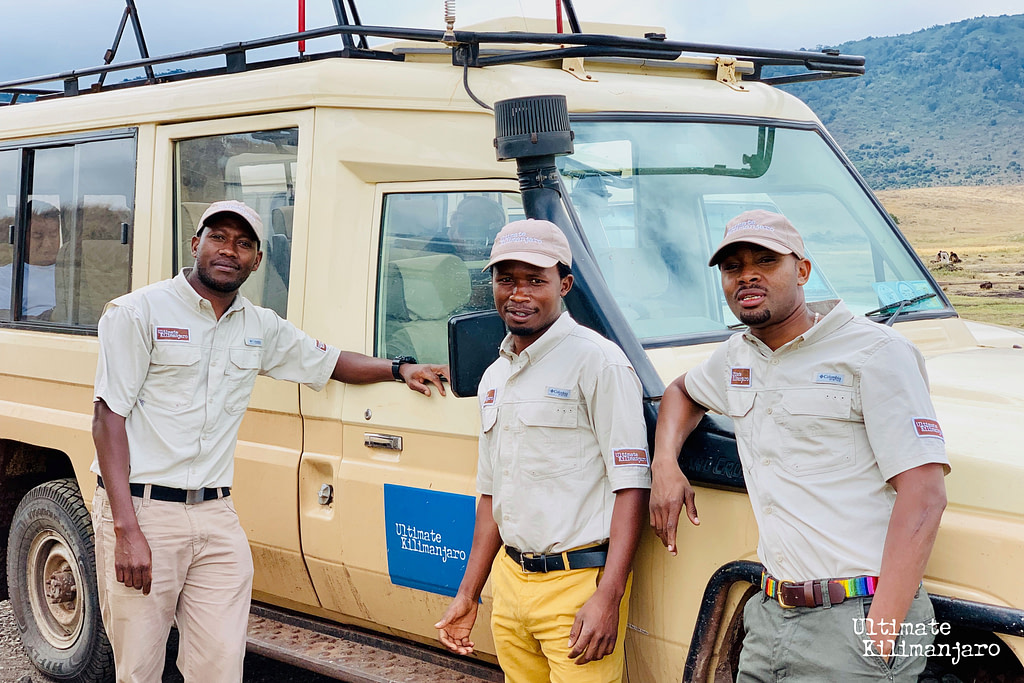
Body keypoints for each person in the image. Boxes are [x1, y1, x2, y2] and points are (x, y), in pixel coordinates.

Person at [90, 200, 448, 683]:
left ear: (257, 260)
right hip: (144, 511)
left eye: (243, 243)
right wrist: (126, 530)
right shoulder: (138, 312)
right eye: (218, 237)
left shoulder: (259, 325)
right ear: (195, 244)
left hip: (216, 515)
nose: (229, 250)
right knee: (138, 668)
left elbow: (330, 361)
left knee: (220, 667)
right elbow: (108, 417)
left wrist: (400, 368)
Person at [649, 210, 949, 681]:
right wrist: (665, 464)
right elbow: (681, 393)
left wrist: (880, 632)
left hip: (856, 616)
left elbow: (925, 494)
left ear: (803, 270)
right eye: (732, 267)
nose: (747, 275)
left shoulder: (876, 352)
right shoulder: (738, 356)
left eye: (766, 261)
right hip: (768, 616)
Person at [435, 218, 650, 682]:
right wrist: (469, 594)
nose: (519, 294)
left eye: (535, 280)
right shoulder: (495, 376)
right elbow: (491, 497)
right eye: (506, 280)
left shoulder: (599, 362)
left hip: (578, 585)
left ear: (564, 285)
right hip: (511, 583)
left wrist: (609, 596)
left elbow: (632, 485)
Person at [0, 200, 61, 320]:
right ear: (21, 237)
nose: (47, 244)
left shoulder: (73, 273)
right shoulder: (7, 276)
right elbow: (4, 318)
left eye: (53, 235)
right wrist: (51, 318)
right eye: (38, 236)